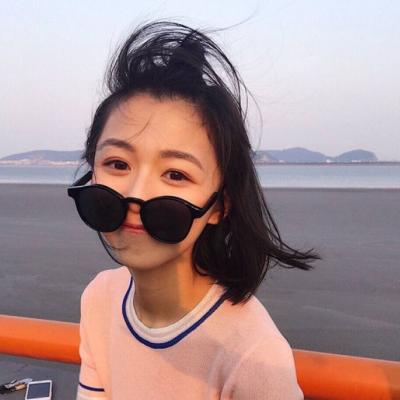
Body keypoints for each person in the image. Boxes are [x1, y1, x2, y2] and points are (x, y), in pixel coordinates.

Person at [68, 20, 321, 399]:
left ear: (219, 205)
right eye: (118, 164)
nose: (136, 195)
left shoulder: (252, 354)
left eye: (175, 174)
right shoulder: (99, 298)